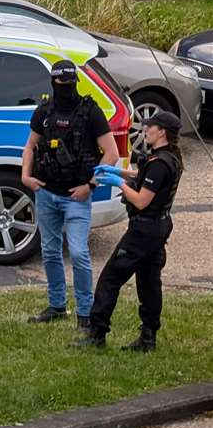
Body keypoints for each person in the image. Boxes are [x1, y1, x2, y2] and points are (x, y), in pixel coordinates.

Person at [21, 60, 119, 329]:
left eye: (69, 84)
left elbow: (111, 154)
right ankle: (56, 306)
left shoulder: (90, 112)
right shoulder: (44, 112)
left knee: (78, 253)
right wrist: (25, 177)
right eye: (61, 84)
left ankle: (85, 314)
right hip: (46, 192)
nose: (65, 89)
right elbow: (30, 146)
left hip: (77, 196)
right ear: (53, 83)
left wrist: (90, 185)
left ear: (76, 82)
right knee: (50, 252)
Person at [77, 110, 184, 351]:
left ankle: (97, 333)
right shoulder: (170, 158)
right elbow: (144, 176)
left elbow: (141, 200)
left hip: (143, 230)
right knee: (149, 281)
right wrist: (120, 171)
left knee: (110, 278)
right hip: (160, 226)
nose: (145, 130)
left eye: (150, 127)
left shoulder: (160, 165)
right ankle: (148, 338)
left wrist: (120, 184)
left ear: (162, 132)